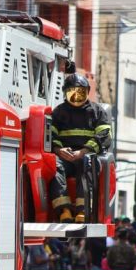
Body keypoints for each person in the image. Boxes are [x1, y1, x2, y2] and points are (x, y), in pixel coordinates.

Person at [48, 73, 112, 223]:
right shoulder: (59, 112)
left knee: (86, 165)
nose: (76, 96)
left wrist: (83, 152)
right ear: (65, 92)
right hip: (65, 157)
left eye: (80, 91)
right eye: (72, 92)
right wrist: (58, 150)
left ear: (87, 91)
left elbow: (104, 135)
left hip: (87, 156)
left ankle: (83, 211)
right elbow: (50, 135)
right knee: (53, 165)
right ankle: (64, 211)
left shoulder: (97, 112)